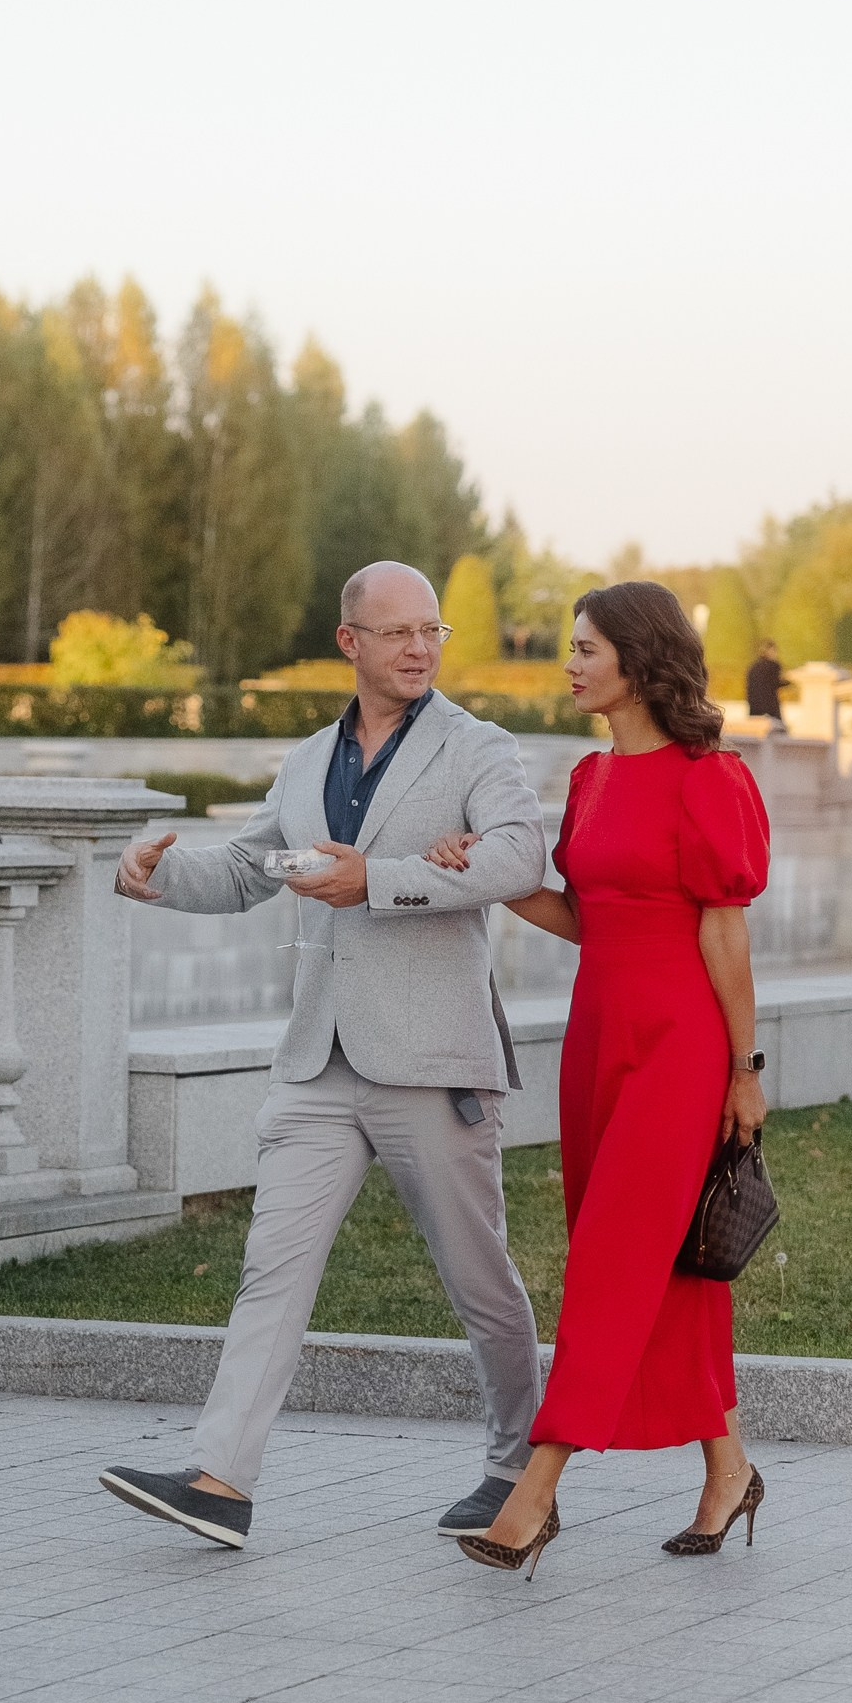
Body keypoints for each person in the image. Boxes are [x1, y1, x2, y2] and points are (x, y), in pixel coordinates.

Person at [96, 560, 549, 1552]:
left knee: (477, 1280)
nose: (419, 648)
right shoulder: (305, 764)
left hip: (432, 1062)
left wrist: (377, 881)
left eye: (428, 630)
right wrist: (154, 874)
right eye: (395, 634)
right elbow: (249, 869)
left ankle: (520, 1466)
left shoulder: (479, 749)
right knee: (270, 1270)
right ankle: (220, 1479)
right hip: (316, 1064)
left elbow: (522, 858)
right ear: (348, 644)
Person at [432, 580, 771, 1577]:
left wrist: (742, 1071)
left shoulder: (707, 778)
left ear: (638, 658)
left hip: (678, 1045)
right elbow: (589, 917)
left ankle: (533, 1494)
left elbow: (721, 929)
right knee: (654, 1262)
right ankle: (728, 1472)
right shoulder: (586, 780)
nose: (569, 663)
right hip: (597, 1041)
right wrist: (481, 875)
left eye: (585, 648)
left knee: (612, 1264)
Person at [744, 638, 785, 725]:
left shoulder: (753, 666)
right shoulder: (774, 665)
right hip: (770, 705)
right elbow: (776, 682)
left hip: (754, 704)